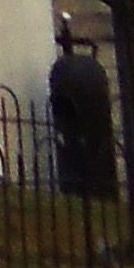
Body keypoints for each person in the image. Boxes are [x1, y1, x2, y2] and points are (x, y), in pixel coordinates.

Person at [47, 19, 117, 201]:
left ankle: (92, 187)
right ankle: (80, 185)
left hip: (88, 127)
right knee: (75, 146)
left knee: (90, 148)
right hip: (76, 124)